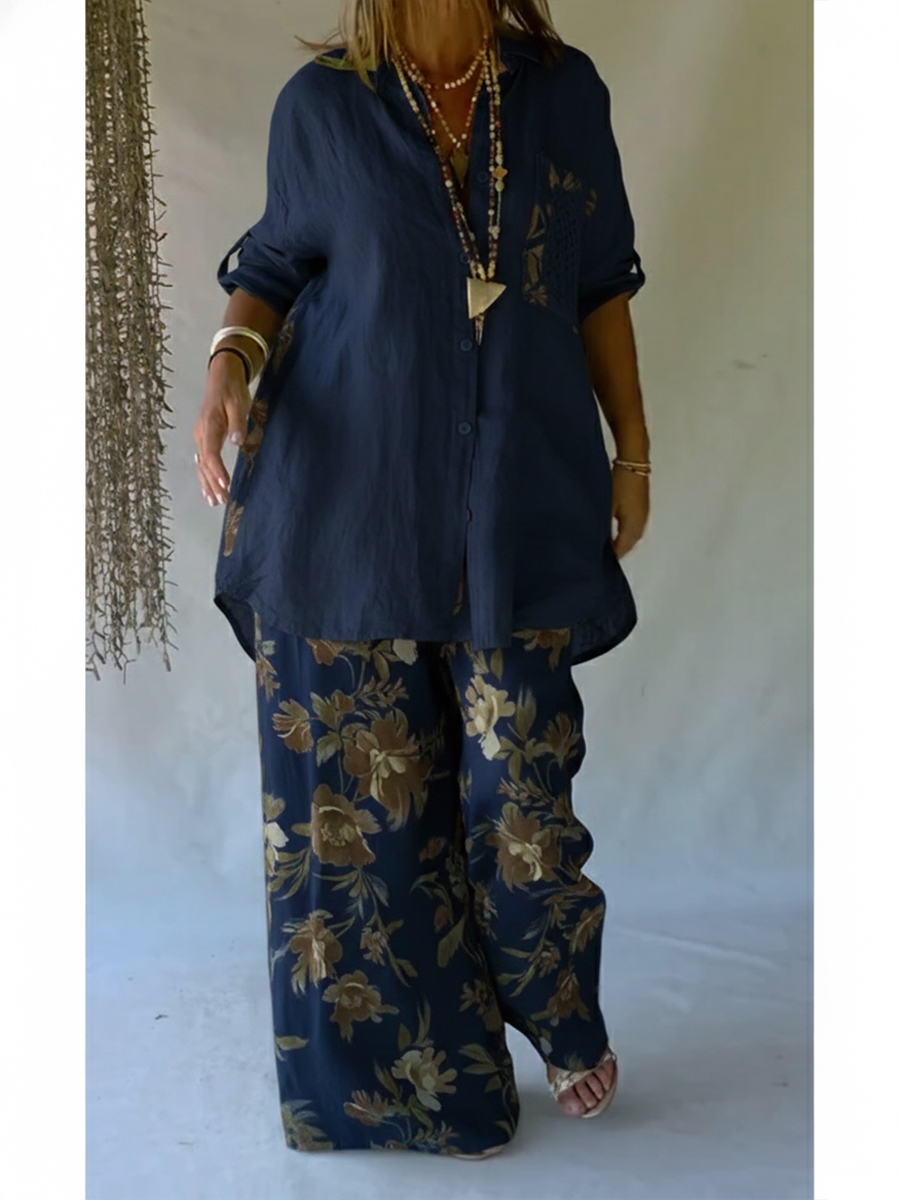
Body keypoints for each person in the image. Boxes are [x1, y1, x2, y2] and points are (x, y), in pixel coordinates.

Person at [192, 0, 650, 1159]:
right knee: (368, 827)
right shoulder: (324, 108)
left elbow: (599, 281)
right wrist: (229, 363)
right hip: (348, 517)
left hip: (518, 508)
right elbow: (274, 266)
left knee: (523, 799)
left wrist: (633, 448)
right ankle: (424, 1097)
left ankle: (558, 1006)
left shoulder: (563, 96)